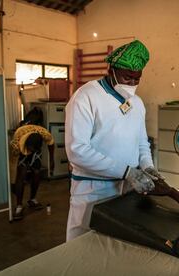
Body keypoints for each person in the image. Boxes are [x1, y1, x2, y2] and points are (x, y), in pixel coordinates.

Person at [65, 40, 162, 241]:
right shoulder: (86, 97)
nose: (132, 84)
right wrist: (126, 171)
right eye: (127, 77)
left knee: (116, 246)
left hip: (127, 189)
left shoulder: (137, 103)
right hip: (93, 190)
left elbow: (142, 142)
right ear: (111, 69)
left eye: (137, 79)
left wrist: (147, 166)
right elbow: (77, 150)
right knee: (83, 246)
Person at [10, 124, 55, 220]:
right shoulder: (16, 142)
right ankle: (19, 206)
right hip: (22, 148)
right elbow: (13, 164)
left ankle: (32, 199)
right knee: (21, 175)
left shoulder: (45, 134)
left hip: (34, 148)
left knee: (37, 173)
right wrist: (13, 183)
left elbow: (51, 144)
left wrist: (51, 160)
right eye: (31, 149)